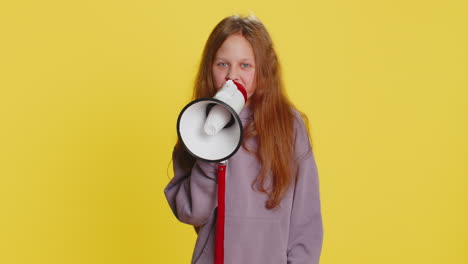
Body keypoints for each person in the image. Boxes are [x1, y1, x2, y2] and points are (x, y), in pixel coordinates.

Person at [164, 14, 323, 264]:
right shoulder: (197, 123)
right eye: (222, 64)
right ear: (210, 68)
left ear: (263, 70)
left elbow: (306, 220)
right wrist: (209, 154)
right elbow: (192, 213)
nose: (232, 76)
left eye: (245, 65)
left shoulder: (288, 125)